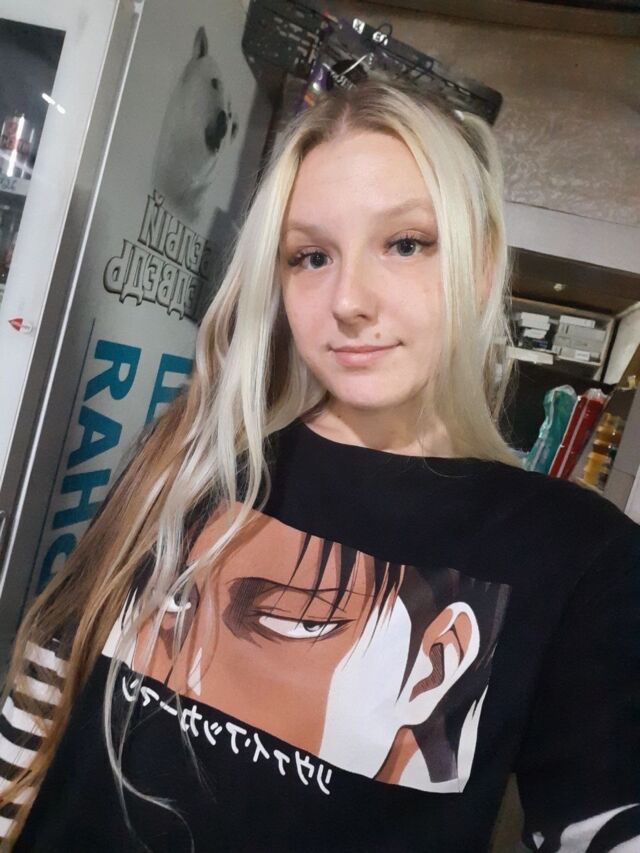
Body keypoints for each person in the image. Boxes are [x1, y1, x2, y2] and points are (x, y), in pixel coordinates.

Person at [0, 77, 638, 853]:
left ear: (479, 264)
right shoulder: (196, 457)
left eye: (406, 243)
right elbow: (42, 701)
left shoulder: (574, 554)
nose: (348, 300)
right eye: (311, 256)